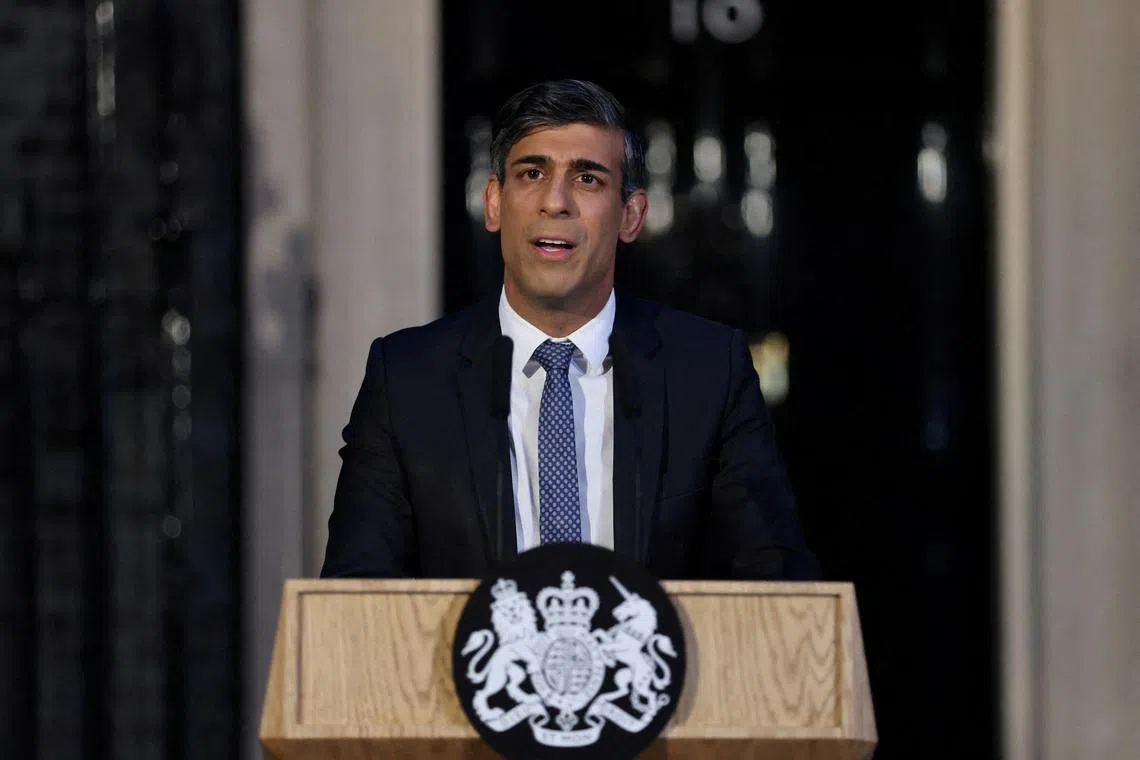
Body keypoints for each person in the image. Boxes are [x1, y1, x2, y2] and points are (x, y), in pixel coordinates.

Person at [320, 79, 819, 580]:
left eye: (587, 180)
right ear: (494, 202)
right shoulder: (406, 380)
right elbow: (354, 601)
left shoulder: (710, 371)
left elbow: (778, 589)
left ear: (631, 215)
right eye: (532, 173)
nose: (554, 202)